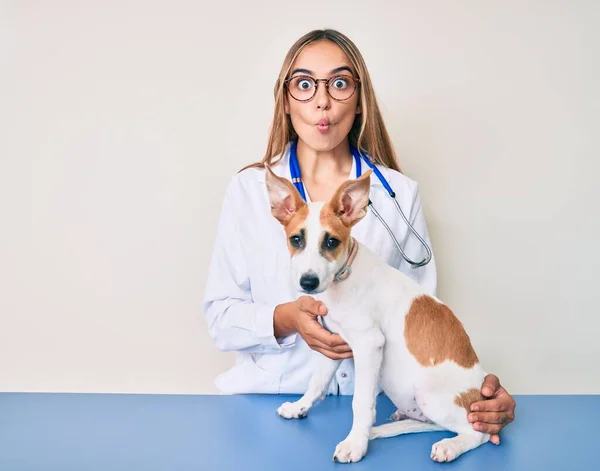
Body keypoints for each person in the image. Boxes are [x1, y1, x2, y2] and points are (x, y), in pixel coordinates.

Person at [202, 28, 515, 444]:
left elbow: (414, 322)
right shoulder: (250, 191)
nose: (322, 100)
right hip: (267, 403)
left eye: (340, 82)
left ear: (359, 98)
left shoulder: (398, 195)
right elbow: (220, 318)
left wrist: (471, 397)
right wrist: (287, 319)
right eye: (304, 84)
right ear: (285, 99)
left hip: (374, 409)